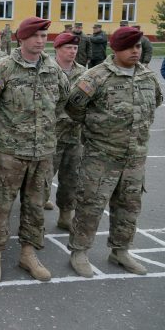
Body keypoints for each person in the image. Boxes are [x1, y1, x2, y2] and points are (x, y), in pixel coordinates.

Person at [0, 17, 69, 283]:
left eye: (44, 36)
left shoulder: (53, 69)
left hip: (42, 154)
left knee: (35, 207)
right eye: (36, 36)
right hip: (8, 154)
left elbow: (63, 103)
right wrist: (1, 137)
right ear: (22, 38)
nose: (41, 41)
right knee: (0, 206)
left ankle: (29, 253)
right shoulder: (3, 68)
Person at [67, 27, 162, 278]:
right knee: (91, 205)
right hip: (102, 156)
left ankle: (120, 251)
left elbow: (156, 101)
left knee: (129, 207)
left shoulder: (147, 77)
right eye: (130, 47)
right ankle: (79, 251)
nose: (135, 51)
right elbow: (74, 107)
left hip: (135, 157)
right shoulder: (95, 77)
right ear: (115, 49)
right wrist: (97, 130)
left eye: (139, 46)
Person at [47, 32, 86, 227]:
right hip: (51, 135)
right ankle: (33, 217)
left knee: (71, 179)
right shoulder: (47, 70)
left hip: (75, 135)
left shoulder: (84, 73)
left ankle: (65, 215)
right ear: (57, 49)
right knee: (43, 178)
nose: (72, 52)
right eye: (68, 48)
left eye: (75, 48)